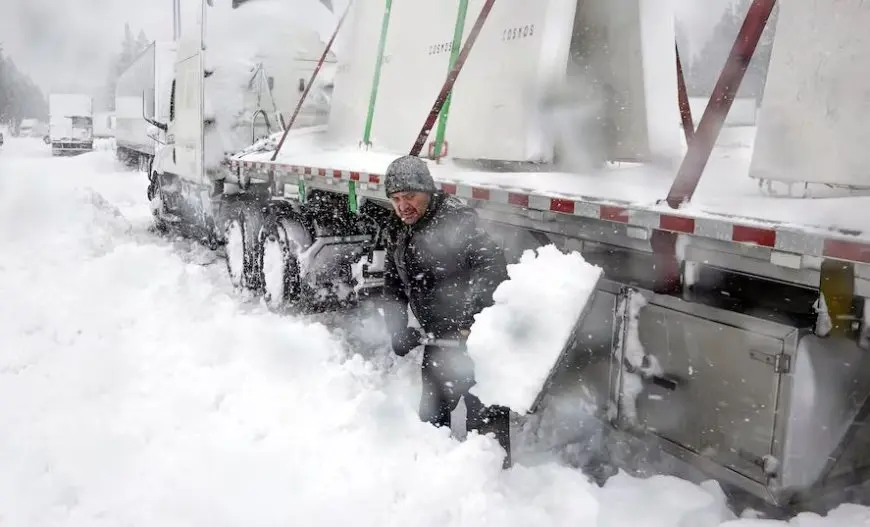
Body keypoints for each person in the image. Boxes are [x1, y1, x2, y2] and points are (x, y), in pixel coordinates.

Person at [381, 154, 512, 468]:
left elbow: (491, 267)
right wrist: (397, 329)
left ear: (428, 191)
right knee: (430, 426)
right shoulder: (398, 230)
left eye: (410, 196)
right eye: (396, 199)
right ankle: (434, 489)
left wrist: (471, 321)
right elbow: (392, 284)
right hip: (439, 343)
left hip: (476, 347)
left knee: (487, 437)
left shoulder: (456, 222)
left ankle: (494, 495)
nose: (403, 206)